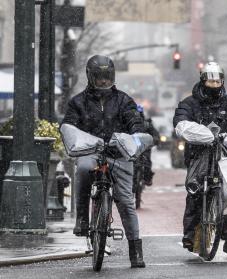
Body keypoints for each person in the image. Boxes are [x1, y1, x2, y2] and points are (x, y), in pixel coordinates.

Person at [62, 55, 147, 268]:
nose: (103, 81)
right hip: (91, 151)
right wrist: (75, 138)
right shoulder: (77, 102)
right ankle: (82, 220)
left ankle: (135, 250)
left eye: (107, 77)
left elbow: (135, 121)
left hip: (119, 153)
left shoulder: (124, 100)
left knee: (126, 200)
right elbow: (69, 125)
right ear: (90, 77)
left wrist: (135, 136)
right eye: (99, 77)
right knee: (82, 169)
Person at [173, 62, 227, 257]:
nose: (214, 85)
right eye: (210, 81)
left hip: (224, 154)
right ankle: (189, 235)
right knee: (195, 192)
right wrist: (200, 134)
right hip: (198, 154)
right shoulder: (189, 103)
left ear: (222, 81)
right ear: (203, 81)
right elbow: (180, 121)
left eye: (217, 81)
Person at [133, 104, 160, 209]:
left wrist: (155, 141)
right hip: (132, 150)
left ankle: (147, 178)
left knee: (147, 163)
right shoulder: (127, 123)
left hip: (144, 150)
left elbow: (155, 135)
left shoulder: (148, 124)